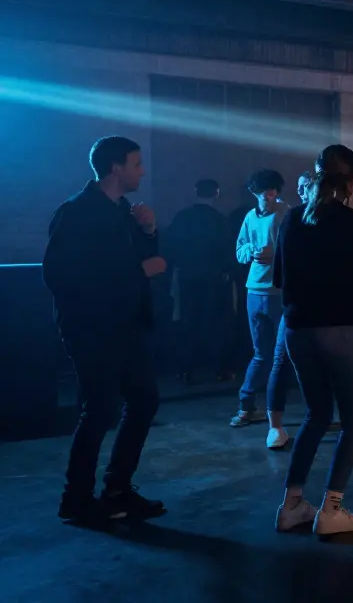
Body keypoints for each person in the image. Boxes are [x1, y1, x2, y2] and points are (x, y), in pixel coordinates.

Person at [44, 136, 168, 523]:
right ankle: (76, 499)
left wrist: (148, 233)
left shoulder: (123, 211)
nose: (141, 171)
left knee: (144, 400)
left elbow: (144, 258)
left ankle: (117, 488)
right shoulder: (77, 212)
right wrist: (139, 272)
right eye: (136, 163)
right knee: (99, 410)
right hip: (93, 329)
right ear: (116, 167)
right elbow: (61, 275)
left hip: (126, 325)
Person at [272, 145, 353, 536]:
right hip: (338, 329)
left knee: (316, 415)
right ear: (351, 181)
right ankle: (331, 509)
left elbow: (279, 280)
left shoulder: (290, 220)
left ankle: (291, 506)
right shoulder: (351, 221)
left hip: (296, 331)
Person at [231, 169, 292, 449]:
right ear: (253, 193)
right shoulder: (250, 217)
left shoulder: (285, 212)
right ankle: (247, 405)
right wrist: (252, 255)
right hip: (254, 291)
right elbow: (240, 249)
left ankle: (274, 409)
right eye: (263, 191)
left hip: (278, 291)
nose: (268, 196)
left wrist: (274, 256)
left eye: (272, 191)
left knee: (283, 353)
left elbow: (292, 248)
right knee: (262, 353)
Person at [166, 178, 231, 384]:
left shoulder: (182, 218)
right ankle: (220, 369)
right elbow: (227, 249)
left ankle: (185, 370)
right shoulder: (220, 220)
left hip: (187, 276)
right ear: (216, 193)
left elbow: (171, 246)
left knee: (187, 321)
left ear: (195, 192)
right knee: (214, 323)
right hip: (213, 277)